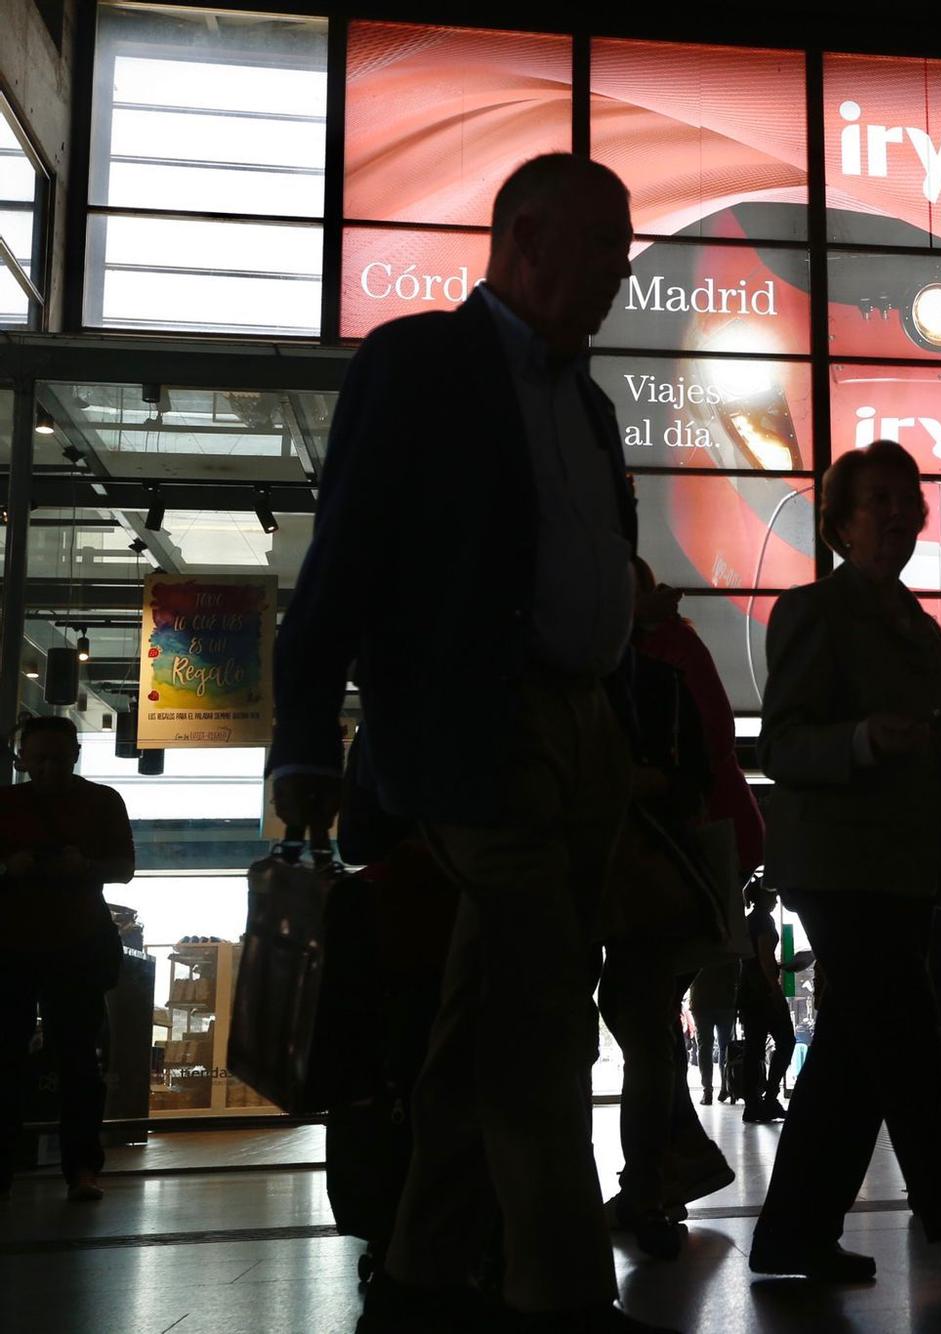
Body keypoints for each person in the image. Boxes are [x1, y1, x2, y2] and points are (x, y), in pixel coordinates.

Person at [271, 154, 664, 1333]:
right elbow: (340, 558)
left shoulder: (588, 403)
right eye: (603, 242)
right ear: (525, 234)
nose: (620, 268)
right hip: (477, 730)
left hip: (583, 730)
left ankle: (423, 1275)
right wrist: (302, 734)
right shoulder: (419, 363)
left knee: (486, 1009)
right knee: (542, 1012)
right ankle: (562, 1294)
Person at [749, 439, 941, 1293]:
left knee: (855, 1057)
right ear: (838, 522)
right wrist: (866, 739)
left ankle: (793, 1231)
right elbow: (782, 744)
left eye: (907, 500)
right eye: (877, 501)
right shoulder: (811, 613)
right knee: (909, 1047)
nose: (897, 516)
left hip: (902, 869)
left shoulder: (926, 637)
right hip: (838, 867)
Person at [599, 562, 743, 1262]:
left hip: (639, 878)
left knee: (640, 1025)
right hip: (640, 881)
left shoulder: (659, 668)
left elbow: (700, 769)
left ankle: (652, 1179)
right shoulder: (654, 668)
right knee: (640, 1024)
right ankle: (658, 1175)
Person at [0, 716, 135, 1205]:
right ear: (24, 760)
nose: (49, 767)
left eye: (56, 758)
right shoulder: (100, 803)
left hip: (25, 947)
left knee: (34, 1060)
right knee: (77, 1062)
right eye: (41, 759)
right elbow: (122, 870)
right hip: (70, 944)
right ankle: (81, 1170)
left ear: (75, 754)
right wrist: (85, 869)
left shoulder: (11, 804)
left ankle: (36, 1171)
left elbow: (122, 869)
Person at [738, 882, 796, 1125]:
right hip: (763, 992)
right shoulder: (764, 921)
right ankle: (770, 1095)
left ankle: (753, 1103)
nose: (776, 898)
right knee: (786, 1041)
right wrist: (775, 989)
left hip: (748, 991)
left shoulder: (750, 920)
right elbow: (765, 956)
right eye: (773, 894)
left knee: (754, 1048)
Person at [690, 960, 739, 1107]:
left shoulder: (698, 948)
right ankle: (725, 1087)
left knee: (704, 1047)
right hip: (726, 1001)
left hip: (701, 1000)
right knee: (726, 1048)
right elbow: (737, 973)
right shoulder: (729, 948)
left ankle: (707, 1091)